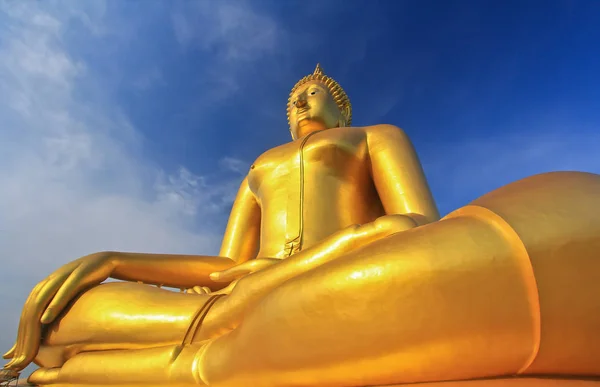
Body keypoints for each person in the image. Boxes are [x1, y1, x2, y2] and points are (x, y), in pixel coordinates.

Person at [2, 65, 600, 387]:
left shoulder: (373, 138)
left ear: (341, 106)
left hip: (346, 276)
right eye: (295, 98)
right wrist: (116, 261)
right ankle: (230, 351)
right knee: (68, 318)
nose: (302, 102)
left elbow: (416, 223)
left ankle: (181, 366)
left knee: (565, 218)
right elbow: (226, 268)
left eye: (316, 94)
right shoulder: (261, 166)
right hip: (243, 298)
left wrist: (309, 266)